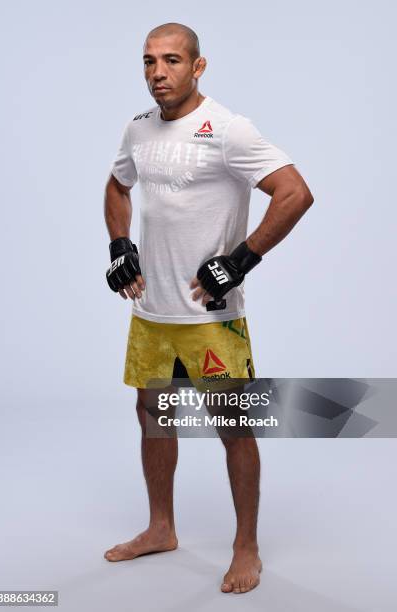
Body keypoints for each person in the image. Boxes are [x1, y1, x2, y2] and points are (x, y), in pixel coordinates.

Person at [103, 22, 314, 594]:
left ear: (198, 66)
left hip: (211, 318)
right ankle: (160, 528)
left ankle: (246, 546)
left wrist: (242, 259)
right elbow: (118, 187)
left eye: (171, 61)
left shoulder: (227, 129)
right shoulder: (138, 129)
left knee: (235, 430)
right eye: (149, 62)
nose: (157, 73)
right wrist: (120, 243)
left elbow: (296, 192)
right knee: (153, 420)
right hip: (152, 314)